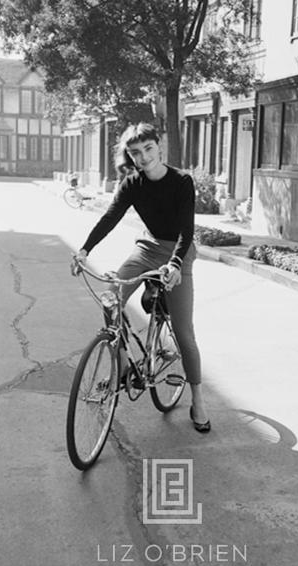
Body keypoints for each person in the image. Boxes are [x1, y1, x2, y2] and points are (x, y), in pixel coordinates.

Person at [71, 122, 210, 433]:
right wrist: (84, 250)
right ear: (130, 156)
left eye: (148, 149)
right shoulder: (132, 183)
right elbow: (110, 217)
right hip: (147, 250)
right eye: (136, 153)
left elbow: (187, 230)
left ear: (158, 146)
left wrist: (174, 264)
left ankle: (198, 398)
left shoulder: (182, 182)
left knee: (185, 333)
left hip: (178, 254)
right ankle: (121, 364)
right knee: (110, 299)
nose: (143, 157)